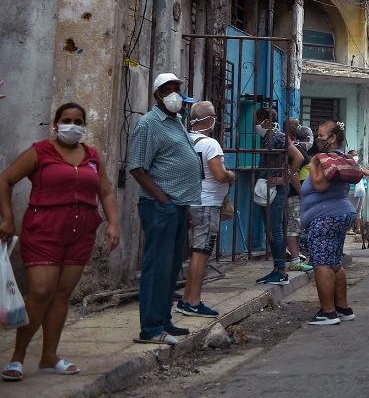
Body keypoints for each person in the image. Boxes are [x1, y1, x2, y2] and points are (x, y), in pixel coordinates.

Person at [0, 103, 120, 380]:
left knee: (62, 294)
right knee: (41, 291)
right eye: (66, 120)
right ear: (56, 124)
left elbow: (106, 192)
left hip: (80, 233)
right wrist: (6, 218)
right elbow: (5, 180)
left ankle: (49, 356)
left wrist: (113, 223)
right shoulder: (40, 152)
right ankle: (17, 357)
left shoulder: (91, 155)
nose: (72, 125)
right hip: (44, 230)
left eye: (78, 121)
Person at [127, 73, 202, 345]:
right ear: (157, 94)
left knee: (171, 268)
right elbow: (136, 166)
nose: (174, 95)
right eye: (167, 90)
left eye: (176, 89)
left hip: (179, 205)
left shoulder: (177, 121)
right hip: (161, 206)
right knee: (157, 266)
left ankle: (164, 319)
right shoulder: (148, 124)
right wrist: (163, 200)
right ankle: (150, 328)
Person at [176, 101, 236, 319]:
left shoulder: (185, 140)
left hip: (191, 200)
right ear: (209, 119)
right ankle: (193, 300)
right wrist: (231, 175)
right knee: (201, 254)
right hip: (207, 203)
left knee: (196, 253)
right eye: (214, 117)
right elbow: (219, 175)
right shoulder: (210, 144)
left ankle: (186, 299)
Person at [301, 120, 359, 325]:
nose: (318, 139)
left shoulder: (323, 159)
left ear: (333, 138)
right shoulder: (342, 158)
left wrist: (314, 163)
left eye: (322, 136)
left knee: (322, 264)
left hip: (325, 217)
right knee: (335, 263)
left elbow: (319, 186)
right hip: (340, 214)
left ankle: (328, 312)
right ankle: (343, 308)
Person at [253, 106, 304, 285]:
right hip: (267, 188)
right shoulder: (266, 139)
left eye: (257, 121)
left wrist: (286, 176)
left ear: (266, 121)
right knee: (270, 229)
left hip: (276, 190)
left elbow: (298, 157)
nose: (255, 124)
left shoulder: (278, 137)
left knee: (275, 229)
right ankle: (276, 268)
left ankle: (281, 270)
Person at [286, 122, 313, 271]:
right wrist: (302, 193)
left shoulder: (301, 149)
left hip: (299, 194)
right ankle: (295, 259)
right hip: (296, 195)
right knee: (294, 227)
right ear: (307, 137)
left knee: (297, 228)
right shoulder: (298, 150)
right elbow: (293, 173)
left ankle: (297, 257)